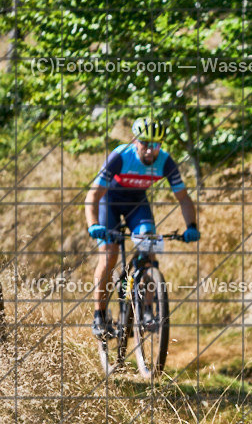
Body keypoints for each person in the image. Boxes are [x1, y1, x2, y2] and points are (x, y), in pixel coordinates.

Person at [84, 117, 200, 339]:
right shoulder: (120, 156)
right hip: (110, 201)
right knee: (109, 255)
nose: (150, 151)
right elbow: (94, 194)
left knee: (149, 248)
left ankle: (147, 311)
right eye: (145, 144)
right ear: (135, 141)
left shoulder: (165, 162)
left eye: (156, 145)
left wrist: (191, 226)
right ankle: (99, 315)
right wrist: (94, 225)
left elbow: (183, 198)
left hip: (137, 203)